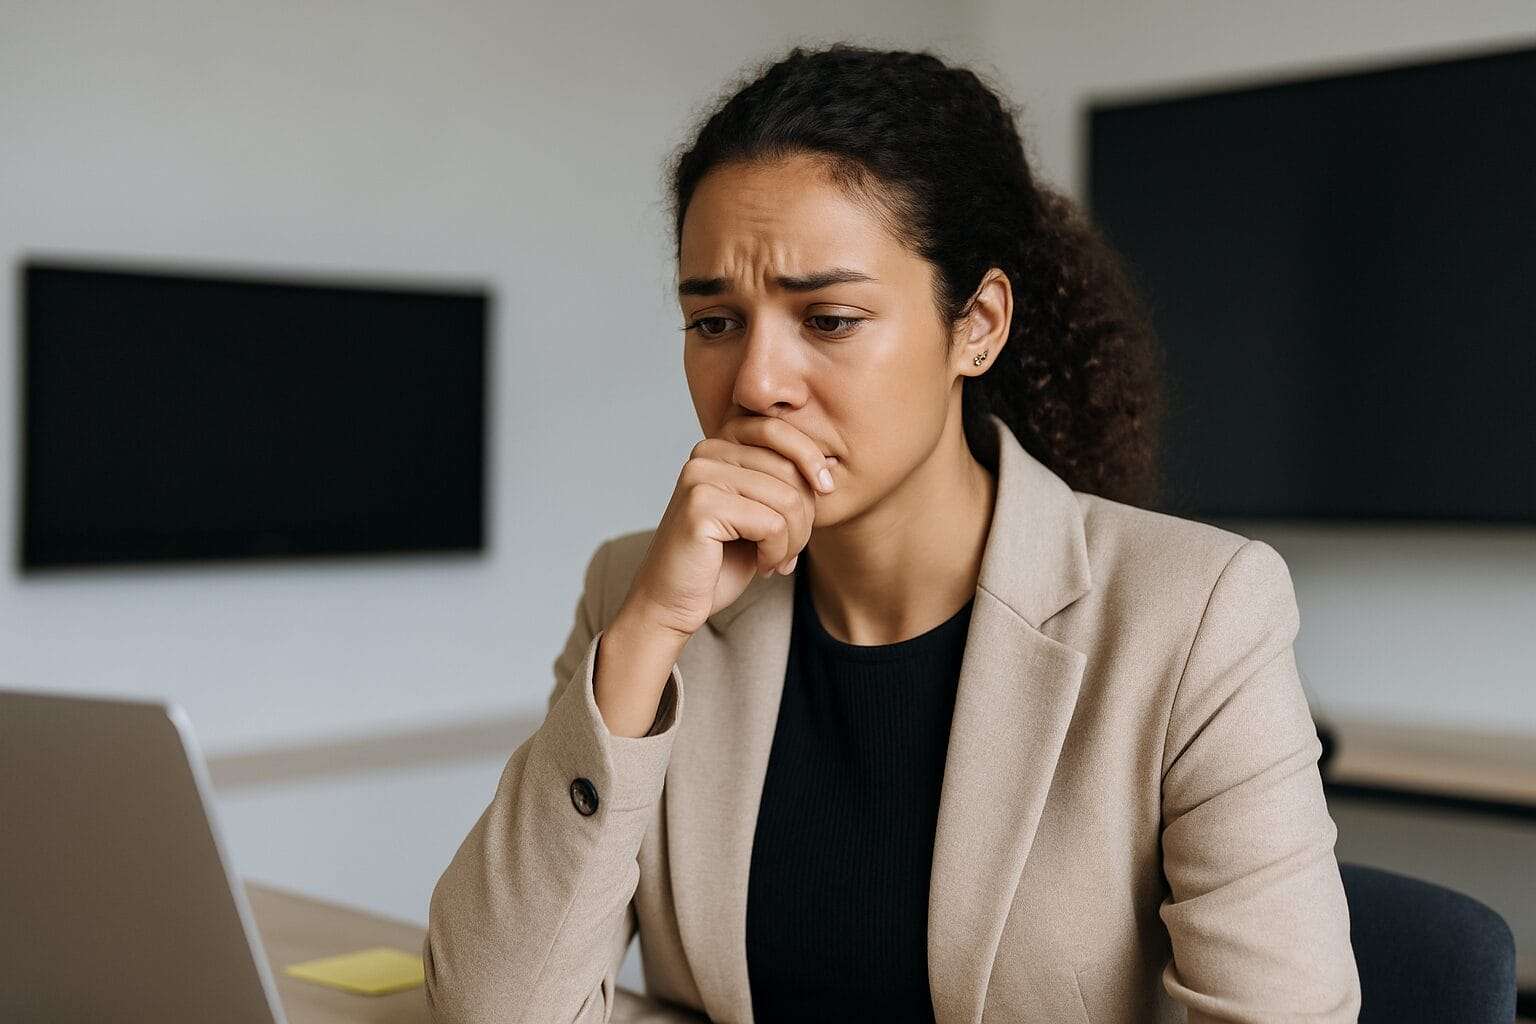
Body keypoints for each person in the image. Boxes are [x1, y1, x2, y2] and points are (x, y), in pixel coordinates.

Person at [423, 42, 1360, 1024]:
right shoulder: (639, 592)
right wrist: (649, 635)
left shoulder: (1198, 613)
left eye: (827, 319)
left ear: (979, 325)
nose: (754, 383)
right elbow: (490, 1009)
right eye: (713, 323)